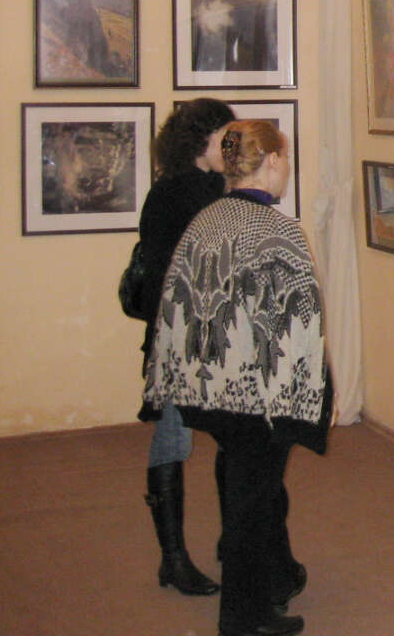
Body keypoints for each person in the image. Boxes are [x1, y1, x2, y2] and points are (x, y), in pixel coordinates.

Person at [143, 120, 332, 636]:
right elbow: (298, 327)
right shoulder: (277, 231)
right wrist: (306, 405)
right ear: (270, 161)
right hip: (258, 396)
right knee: (254, 498)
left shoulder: (205, 221)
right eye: (284, 158)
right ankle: (245, 618)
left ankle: (275, 578)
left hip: (205, 388)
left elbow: (174, 308)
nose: (286, 168)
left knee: (250, 491)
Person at [134, 97, 236, 596]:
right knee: (173, 439)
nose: (231, 147)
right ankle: (172, 559)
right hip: (179, 336)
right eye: (225, 139)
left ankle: (233, 541)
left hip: (217, 334)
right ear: (203, 140)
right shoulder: (172, 195)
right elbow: (167, 275)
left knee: (233, 435)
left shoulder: (216, 188)